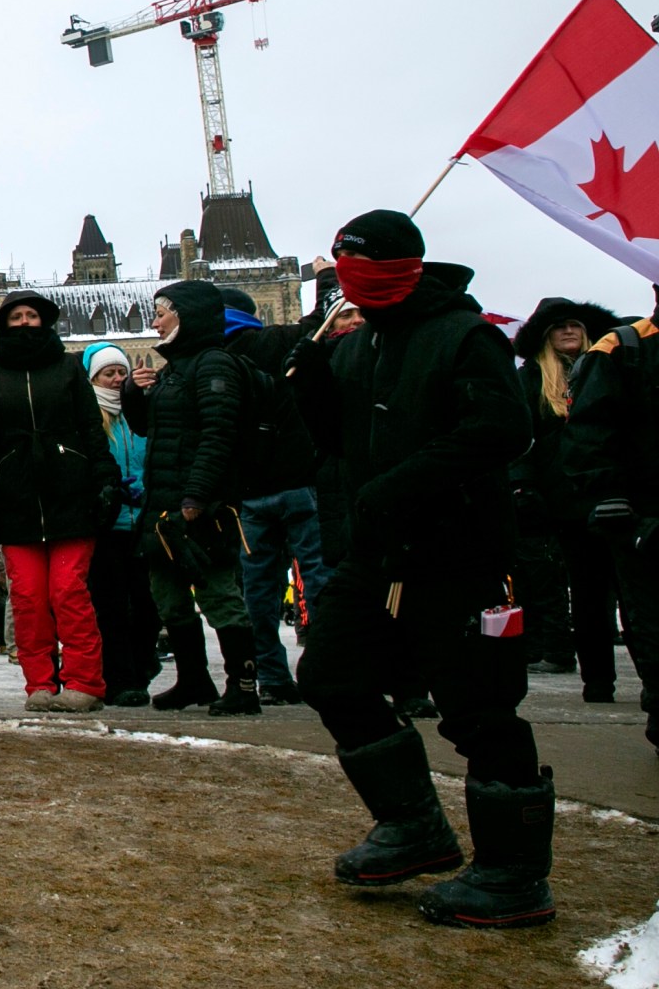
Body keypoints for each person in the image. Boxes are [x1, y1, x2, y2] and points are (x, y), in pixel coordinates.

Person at [289, 210, 549, 929]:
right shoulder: (354, 344)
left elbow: (502, 428)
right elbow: (336, 443)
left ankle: (514, 871)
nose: (353, 287)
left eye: (363, 271)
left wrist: (405, 482)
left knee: (479, 709)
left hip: (458, 552)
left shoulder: (463, 336)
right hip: (377, 555)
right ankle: (412, 826)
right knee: (332, 675)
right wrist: (309, 386)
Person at [0, 291, 116, 713]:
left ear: (44, 321)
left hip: (70, 493)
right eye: (16, 316)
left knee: (69, 591)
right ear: (4, 323)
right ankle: (39, 684)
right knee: (29, 598)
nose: (25, 322)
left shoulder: (68, 367)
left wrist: (105, 480)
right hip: (17, 499)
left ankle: (85, 682)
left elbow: (91, 428)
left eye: (32, 315)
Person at [123, 280, 260, 717]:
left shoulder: (213, 364)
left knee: (218, 593)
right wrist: (133, 394)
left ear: (186, 315)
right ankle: (193, 679)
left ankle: (243, 685)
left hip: (200, 505)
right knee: (168, 596)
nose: (155, 321)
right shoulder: (175, 370)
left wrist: (198, 495)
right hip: (162, 507)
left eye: (162, 312)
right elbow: (149, 430)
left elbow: (219, 435)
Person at [220, 281, 331, 707]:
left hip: (249, 492)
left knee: (258, 593)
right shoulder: (281, 340)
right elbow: (324, 319)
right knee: (318, 582)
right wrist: (325, 278)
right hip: (300, 482)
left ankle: (273, 676)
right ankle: (325, 670)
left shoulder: (214, 361)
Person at [554, 294, 659, 742]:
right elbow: (590, 430)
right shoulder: (623, 348)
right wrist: (609, 495)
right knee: (646, 613)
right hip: (643, 514)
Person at [508, 297, 620, 683]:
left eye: (574, 324)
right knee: (582, 590)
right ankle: (597, 680)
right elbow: (518, 438)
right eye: (558, 326)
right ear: (545, 336)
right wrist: (522, 485)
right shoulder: (531, 380)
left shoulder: (610, 369)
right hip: (559, 499)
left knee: (624, 591)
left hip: (612, 492)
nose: (568, 331)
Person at [78, 343, 158, 706]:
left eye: (121, 372)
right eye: (108, 373)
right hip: (106, 527)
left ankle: (140, 669)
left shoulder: (141, 412)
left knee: (147, 605)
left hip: (143, 522)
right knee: (110, 607)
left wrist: (145, 486)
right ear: (93, 378)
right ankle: (120, 678)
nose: (116, 379)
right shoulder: (88, 418)